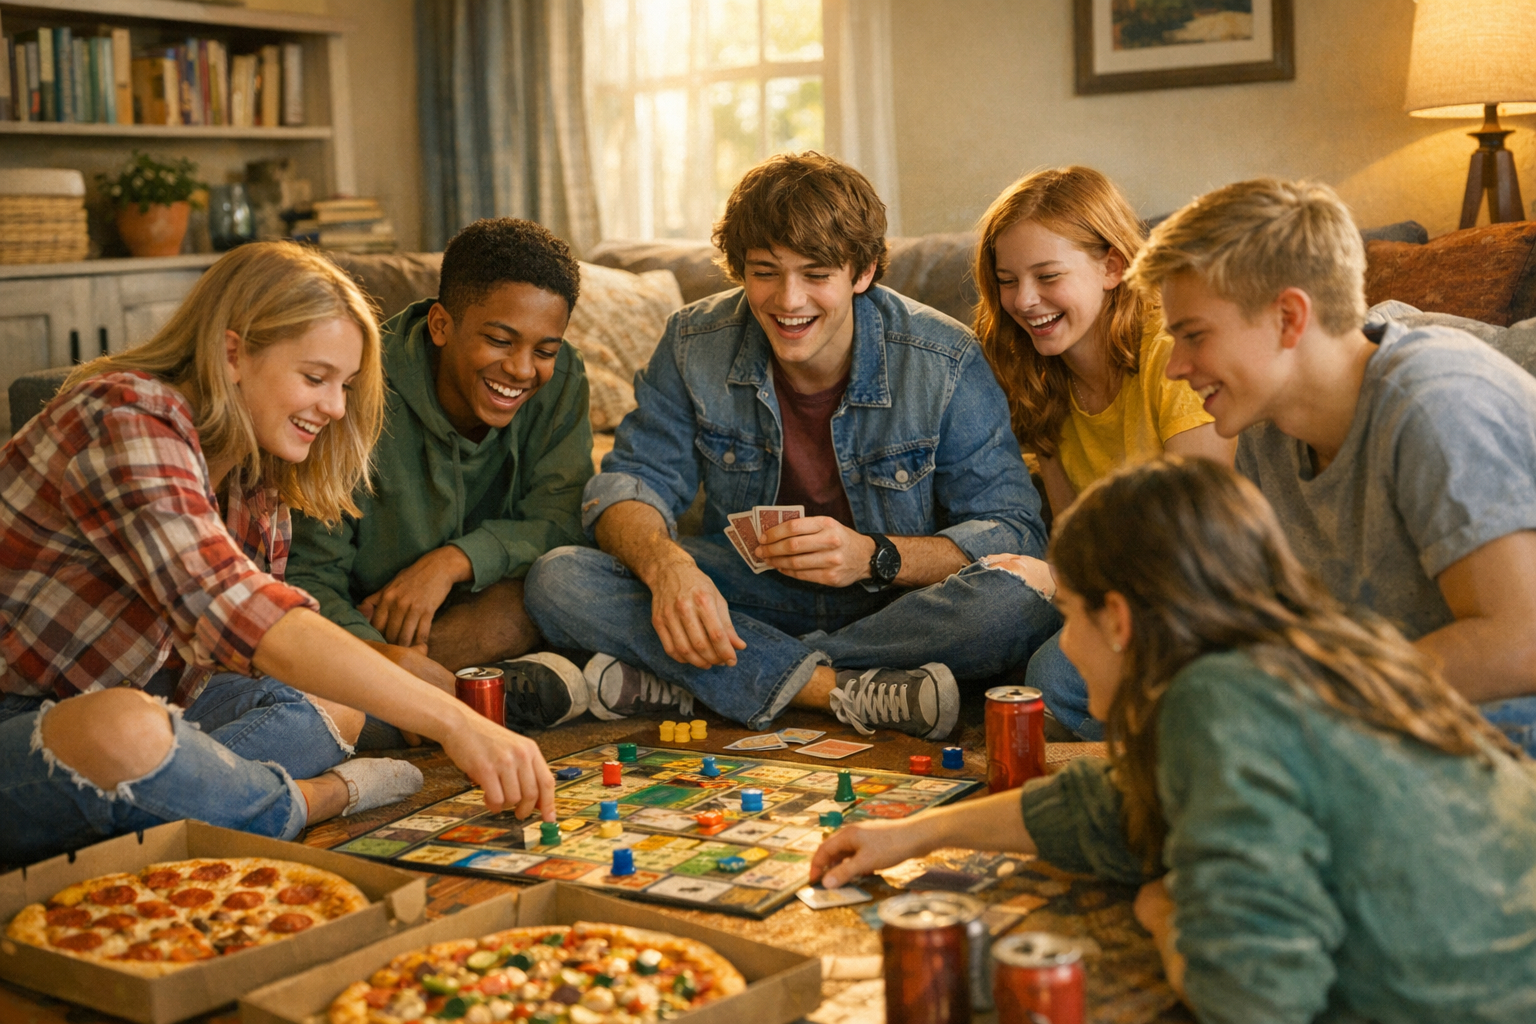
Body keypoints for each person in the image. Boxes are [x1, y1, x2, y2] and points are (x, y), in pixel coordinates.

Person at [812, 458, 1536, 1024]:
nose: (1067, 643)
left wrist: (1164, 917)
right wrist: (915, 833)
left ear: (1120, 620)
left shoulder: (1217, 699)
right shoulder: (1282, 661)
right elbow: (1112, 802)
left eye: (1071, 615)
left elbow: (1253, 998)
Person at [0, 242, 555, 866]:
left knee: (338, 709)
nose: (336, 407)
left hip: (154, 699)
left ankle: (174, 800)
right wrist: (456, 722)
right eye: (315, 378)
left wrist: (394, 679)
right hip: (26, 720)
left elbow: (241, 659)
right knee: (125, 729)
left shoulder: (252, 470)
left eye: (344, 385)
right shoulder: (123, 415)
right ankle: (304, 800)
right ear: (232, 354)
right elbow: (247, 615)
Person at [523, 152, 1060, 739]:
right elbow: (632, 481)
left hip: (892, 604)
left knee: (1018, 600)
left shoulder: (944, 358)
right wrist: (667, 566)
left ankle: (701, 677)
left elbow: (1013, 531)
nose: (788, 300)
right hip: (747, 592)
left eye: (816, 274)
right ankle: (840, 689)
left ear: (863, 273)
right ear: (739, 269)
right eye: (765, 271)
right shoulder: (692, 341)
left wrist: (874, 556)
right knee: (558, 578)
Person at [1130, 177, 1536, 754]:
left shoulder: (1433, 403)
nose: (1175, 366)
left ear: (1288, 317)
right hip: (1407, 713)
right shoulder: (1268, 431)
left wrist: (1310, 702)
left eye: (1193, 335)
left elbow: (1520, 645)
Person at [287, 218, 594, 733]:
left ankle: (411, 711)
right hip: (369, 625)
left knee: (542, 592)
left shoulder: (562, 379)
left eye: (545, 350)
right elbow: (309, 578)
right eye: (500, 340)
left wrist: (453, 562)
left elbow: (563, 517)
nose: (523, 370)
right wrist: (382, 660)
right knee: (317, 658)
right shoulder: (352, 390)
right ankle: (436, 703)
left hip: (482, 611)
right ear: (440, 325)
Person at [972, 166, 1234, 740]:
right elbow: (1071, 532)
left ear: (1112, 267)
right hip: (1108, 592)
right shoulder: (1037, 375)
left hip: (1193, 588)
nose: (1024, 300)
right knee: (995, 607)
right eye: (1008, 281)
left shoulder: (1174, 353)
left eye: (1047, 276)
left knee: (1052, 677)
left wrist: (1060, 580)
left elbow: (1202, 535)